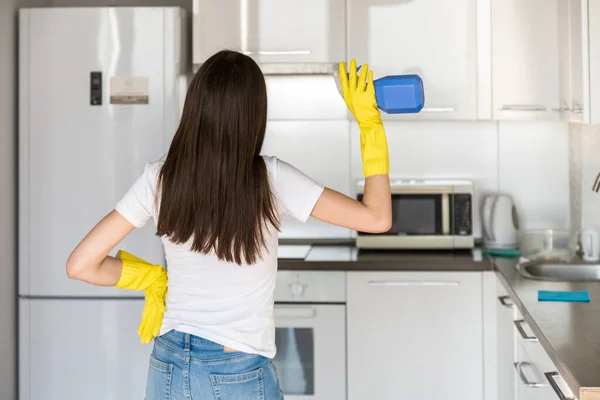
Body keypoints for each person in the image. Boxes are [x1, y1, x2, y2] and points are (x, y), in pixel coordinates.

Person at [66, 50, 391, 400]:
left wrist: (151, 278)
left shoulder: (159, 178)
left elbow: (80, 265)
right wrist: (369, 126)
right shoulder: (271, 179)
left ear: (195, 107)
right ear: (254, 115)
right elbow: (376, 218)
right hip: (236, 370)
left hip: (168, 363)